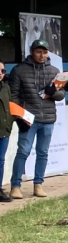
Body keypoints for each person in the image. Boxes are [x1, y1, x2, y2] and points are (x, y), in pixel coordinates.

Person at [8, 40, 65, 199]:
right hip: (27, 119)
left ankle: (38, 184)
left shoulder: (54, 70)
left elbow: (61, 95)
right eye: (39, 52)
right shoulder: (19, 70)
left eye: (45, 52)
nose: (42, 55)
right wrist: (19, 116)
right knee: (23, 151)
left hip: (47, 118)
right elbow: (13, 96)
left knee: (43, 152)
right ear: (32, 51)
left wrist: (53, 92)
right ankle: (15, 186)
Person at [0, 63, 14, 202]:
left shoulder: (6, 87)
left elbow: (10, 106)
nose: (0, 73)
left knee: (1, 161)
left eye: (3, 70)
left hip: (4, 130)